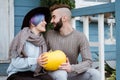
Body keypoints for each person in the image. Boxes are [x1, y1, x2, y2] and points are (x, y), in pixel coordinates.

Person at [41, 4, 101, 80]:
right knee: (61, 74)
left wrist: (71, 68)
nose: (51, 21)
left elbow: (88, 62)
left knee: (95, 74)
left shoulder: (80, 37)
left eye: (54, 17)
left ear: (64, 18)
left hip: (72, 73)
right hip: (55, 73)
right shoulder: (49, 35)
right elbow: (42, 56)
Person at [6, 7, 53, 80]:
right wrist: (36, 60)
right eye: (42, 20)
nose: (45, 23)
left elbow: (43, 62)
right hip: (17, 73)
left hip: (34, 73)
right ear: (33, 23)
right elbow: (15, 62)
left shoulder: (42, 41)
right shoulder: (21, 38)